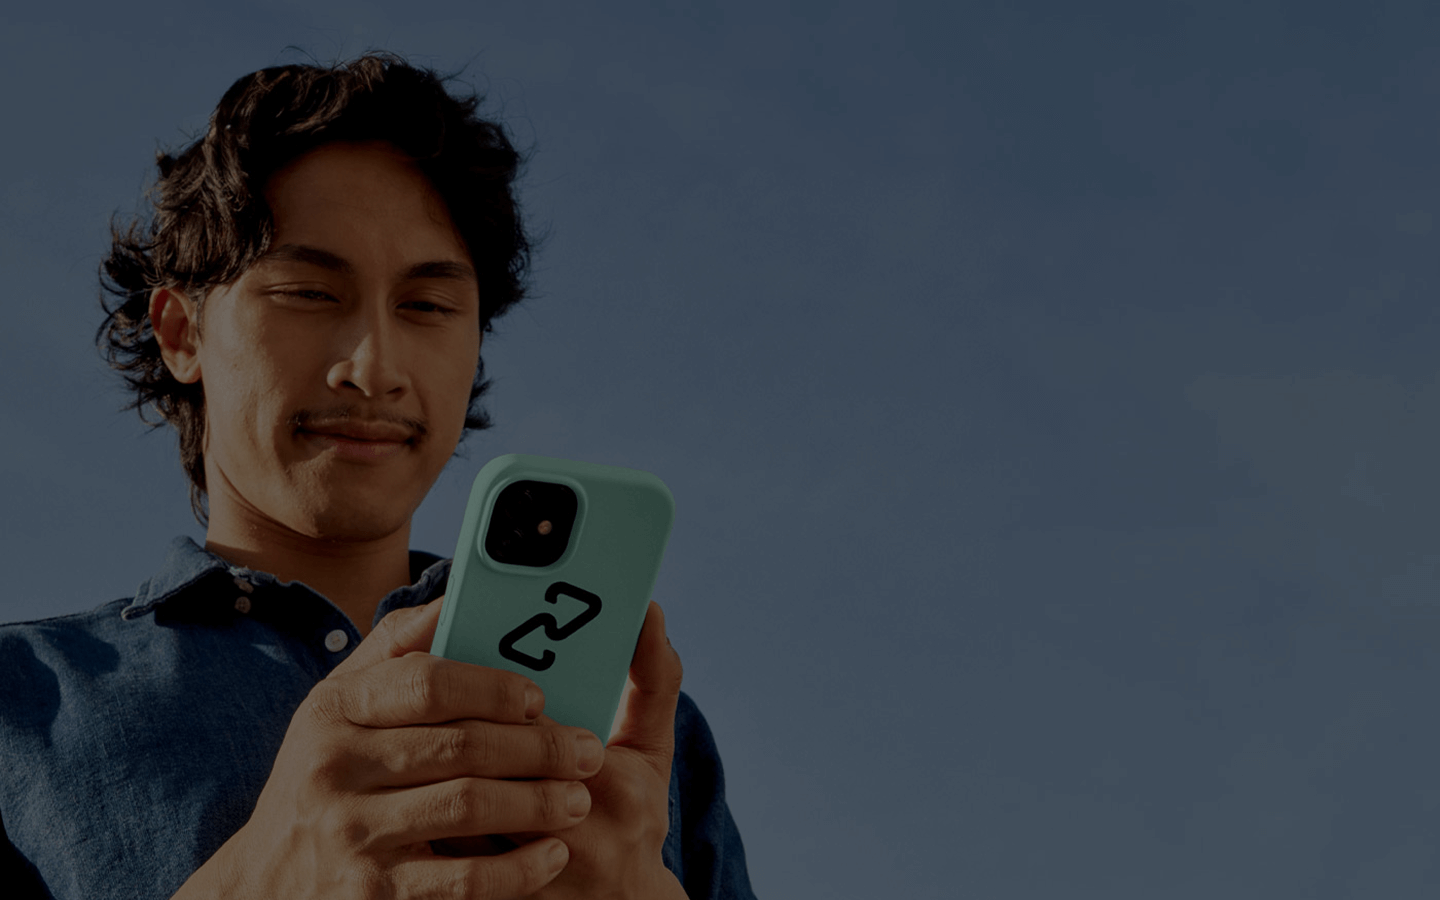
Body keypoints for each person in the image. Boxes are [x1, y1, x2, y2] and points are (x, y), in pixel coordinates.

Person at [0, 51, 755, 899]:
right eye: (308, 292)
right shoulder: (18, 707)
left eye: (427, 306)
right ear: (181, 333)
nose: (373, 368)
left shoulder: (639, 727)